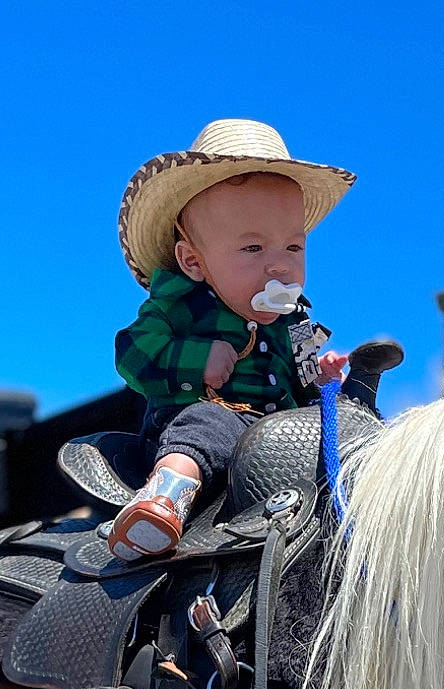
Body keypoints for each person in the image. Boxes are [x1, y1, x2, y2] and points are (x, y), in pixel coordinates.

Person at [109, 119, 355, 562]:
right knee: (210, 425)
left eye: (293, 249)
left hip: (281, 437)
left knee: (339, 439)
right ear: (193, 261)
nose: (279, 267)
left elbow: (302, 377)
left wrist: (321, 377)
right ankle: (165, 495)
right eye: (253, 250)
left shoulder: (295, 319)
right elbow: (131, 353)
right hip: (204, 424)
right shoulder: (182, 305)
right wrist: (195, 359)